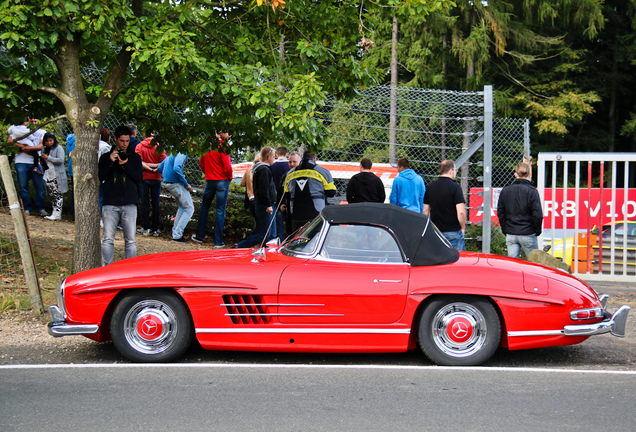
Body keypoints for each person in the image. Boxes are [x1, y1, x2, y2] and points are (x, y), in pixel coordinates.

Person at [98, 125, 143, 266]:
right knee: (108, 239)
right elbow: (100, 177)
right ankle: (107, 267)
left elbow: (138, 178)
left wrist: (126, 165)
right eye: (122, 141)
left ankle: (129, 269)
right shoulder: (106, 157)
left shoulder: (134, 157)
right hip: (110, 202)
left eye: (127, 141)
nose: (124, 144)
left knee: (130, 240)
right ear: (116, 139)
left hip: (129, 202)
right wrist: (111, 162)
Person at [192, 131, 233, 247]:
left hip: (209, 180)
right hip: (222, 180)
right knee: (220, 210)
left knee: (205, 207)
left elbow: (201, 164)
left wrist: (208, 174)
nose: (228, 136)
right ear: (221, 134)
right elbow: (228, 166)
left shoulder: (207, 146)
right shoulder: (223, 147)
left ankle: (199, 236)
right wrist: (229, 177)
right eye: (227, 133)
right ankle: (218, 241)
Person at [497, 162, 543, 259]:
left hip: (511, 232)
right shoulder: (532, 191)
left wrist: (505, 229)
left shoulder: (505, 190)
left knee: (513, 266)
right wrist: (536, 230)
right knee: (534, 264)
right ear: (529, 175)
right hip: (528, 232)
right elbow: (537, 214)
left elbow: (501, 212)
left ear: (515, 174)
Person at [283, 151, 336, 232]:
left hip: (296, 213)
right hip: (316, 213)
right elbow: (331, 192)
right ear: (314, 159)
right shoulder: (322, 171)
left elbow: (286, 194)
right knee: (315, 238)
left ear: (301, 159)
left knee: (297, 239)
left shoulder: (290, 173)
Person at [236, 146, 277, 248]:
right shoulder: (264, 170)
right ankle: (241, 246)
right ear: (268, 157)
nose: (274, 159)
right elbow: (264, 189)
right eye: (273, 157)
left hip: (263, 204)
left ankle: (268, 252)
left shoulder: (258, 169)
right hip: (264, 205)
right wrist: (268, 204)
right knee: (265, 234)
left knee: (270, 234)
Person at [423, 160, 466, 250]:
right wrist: (462, 228)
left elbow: (425, 211)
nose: (455, 173)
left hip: (436, 231)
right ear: (450, 171)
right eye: (455, 170)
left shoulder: (430, 187)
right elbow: (461, 212)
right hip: (453, 231)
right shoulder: (455, 187)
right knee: (457, 260)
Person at [8, 116, 47, 216]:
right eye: (31, 121)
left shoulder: (42, 132)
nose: (33, 122)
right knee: (23, 186)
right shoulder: (20, 130)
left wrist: (28, 149)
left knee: (39, 187)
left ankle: (40, 208)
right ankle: (26, 208)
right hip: (21, 161)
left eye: (35, 121)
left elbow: (41, 146)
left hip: (36, 162)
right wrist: (21, 146)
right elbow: (10, 141)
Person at [157, 152, 194, 243]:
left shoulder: (173, 151)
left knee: (183, 207)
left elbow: (159, 168)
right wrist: (186, 184)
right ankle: (177, 235)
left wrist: (167, 176)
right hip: (176, 184)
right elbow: (177, 168)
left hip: (169, 183)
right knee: (189, 208)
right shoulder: (182, 152)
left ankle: (176, 233)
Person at [135, 133, 167, 236]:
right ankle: (155, 228)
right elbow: (164, 162)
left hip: (143, 177)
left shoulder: (139, 146)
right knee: (155, 203)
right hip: (156, 177)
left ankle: (146, 227)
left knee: (144, 202)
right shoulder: (159, 147)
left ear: (144, 135)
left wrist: (146, 165)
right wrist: (155, 168)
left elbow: (138, 162)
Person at [40, 133, 68, 220]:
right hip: (48, 174)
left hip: (57, 175)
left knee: (57, 194)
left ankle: (57, 213)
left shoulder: (59, 148)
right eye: (47, 141)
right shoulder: (44, 149)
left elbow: (60, 160)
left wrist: (48, 158)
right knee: (52, 194)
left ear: (54, 140)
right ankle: (54, 212)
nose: (49, 143)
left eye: (50, 141)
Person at [270, 146, 290, 241]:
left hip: (276, 199)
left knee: (278, 225)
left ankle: (279, 242)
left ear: (277, 155)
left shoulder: (271, 167)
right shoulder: (290, 167)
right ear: (286, 154)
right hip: (288, 199)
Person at [240, 152, 262, 235]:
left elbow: (242, 183)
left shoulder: (249, 170)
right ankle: (252, 241)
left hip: (250, 199)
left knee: (258, 222)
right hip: (258, 199)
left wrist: (248, 184)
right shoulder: (261, 170)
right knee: (261, 223)